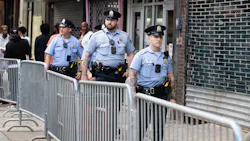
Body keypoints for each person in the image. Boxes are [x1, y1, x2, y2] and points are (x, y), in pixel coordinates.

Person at [125, 25, 176, 141]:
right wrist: (132, 91)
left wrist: (173, 97)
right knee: (141, 126)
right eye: (155, 36)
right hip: (144, 95)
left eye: (160, 37)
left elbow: (171, 77)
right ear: (149, 38)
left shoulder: (166, 57)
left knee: (159, 127)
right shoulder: (141, 55)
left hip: (161, 96)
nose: (158, 39)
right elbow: (132, 74)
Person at [81, 10, 135, 83]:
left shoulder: (124, 36)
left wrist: (130, 71)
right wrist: (84, 75)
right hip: (101, 75)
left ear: (117, 21)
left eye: (112, 20)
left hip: (119, 75)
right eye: (107, 19)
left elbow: (131, 54)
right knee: (100, 94)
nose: (109, 22)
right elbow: (87, 55)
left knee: (118, 94)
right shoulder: (96, 36)